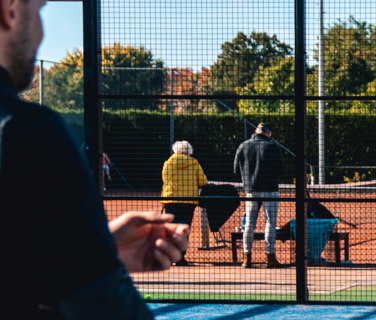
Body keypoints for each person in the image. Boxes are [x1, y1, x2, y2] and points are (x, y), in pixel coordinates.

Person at [4, 0, 189, 317]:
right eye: (39, 9)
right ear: (9, 8)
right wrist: (94, 263)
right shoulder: (26, 132)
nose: (41, 31)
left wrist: (95, 246)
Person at [234, 122, 287, 268]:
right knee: (270, 222)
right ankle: (270, 257)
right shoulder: (273, 146)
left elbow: (235, 169)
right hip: (270, 188)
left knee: (249, 223)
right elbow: (281, 169)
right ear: (269, 133)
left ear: (255, 131)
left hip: (251, 190)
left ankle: (247, 258)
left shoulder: (243, 146)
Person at [162, 140, 207, 266]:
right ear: (189, 151)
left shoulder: (167, 163)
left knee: (171, 229)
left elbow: (164, 179)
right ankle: (180, 257)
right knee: (184, 229)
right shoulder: (194, 163)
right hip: (188, 201)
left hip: (170, 200)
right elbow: (203, 182)